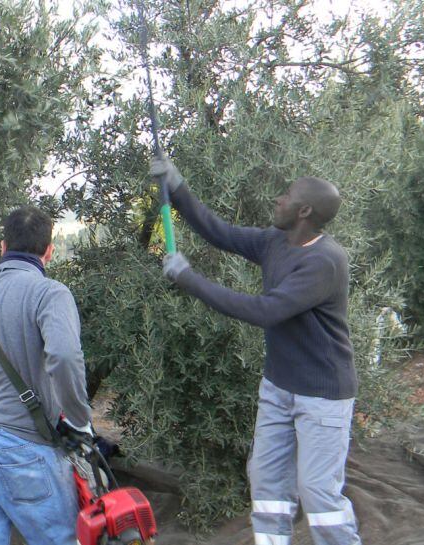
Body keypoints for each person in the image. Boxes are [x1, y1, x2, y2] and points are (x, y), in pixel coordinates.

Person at [152, 155, 361, 545]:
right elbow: (220, 233)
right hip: (279, 386)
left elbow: (264, 311)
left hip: (323, 395)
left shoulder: (324, 262)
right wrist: (176, 187)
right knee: (266, 484)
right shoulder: (274, 241)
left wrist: (188, 278)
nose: (277, 200)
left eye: (287, 196)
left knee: (317, 490)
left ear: (304, 211)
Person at [0, 205, 91, 545]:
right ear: (49, 252)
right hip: (22, 447)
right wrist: (78, 419)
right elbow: (64, 355)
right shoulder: (50, 293)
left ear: (2, 247)